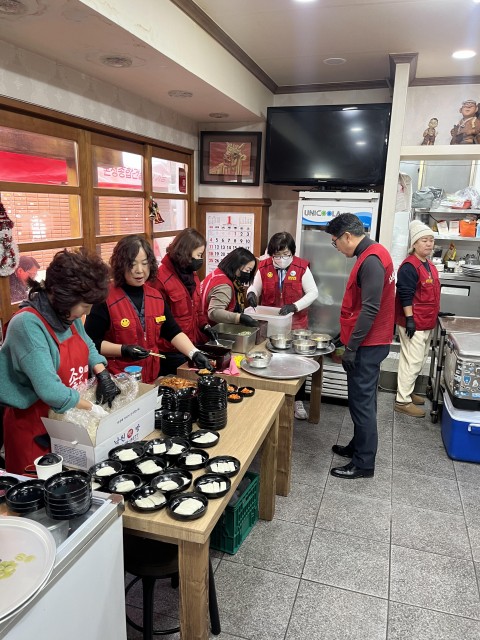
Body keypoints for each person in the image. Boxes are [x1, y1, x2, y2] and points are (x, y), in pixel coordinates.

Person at [0, 248, 120, 474]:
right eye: (84, 306)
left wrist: (102, 372)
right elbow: (50, 390)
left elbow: (88, 345)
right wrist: (93, 409)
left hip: (66, 424)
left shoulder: (66, 316)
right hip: (34, 428)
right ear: (64, 296)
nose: (86, 312)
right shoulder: (27, 325)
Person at [84, 234, 213, 383]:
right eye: (132, 264)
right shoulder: (105, 299)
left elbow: (173, 332)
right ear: (120, 265)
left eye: (144, 263)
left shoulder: (155, 296)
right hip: (117, 380)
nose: (140, 270)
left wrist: (194, 353)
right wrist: (123, 349)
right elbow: (90, 343)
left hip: (150, 378)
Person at [325, 213, 395, 479]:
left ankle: (364, 463)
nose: (336, 247)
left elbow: (370, 309)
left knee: (361, 404)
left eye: (335, 242)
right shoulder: (373, 253)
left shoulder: (371, 261)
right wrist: (341, 336)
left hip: (368, 344)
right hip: (368, 341)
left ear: (347, 236)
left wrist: (351, 347)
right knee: (364, 401)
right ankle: (358, 446)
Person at [246, 231, 318, 419]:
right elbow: (255, 287)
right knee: (269, 359)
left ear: (292, 252)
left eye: (286, 254)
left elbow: (313, 293)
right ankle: (269, 398)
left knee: (297, 363)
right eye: (277, 255)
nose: (281, 259)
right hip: (270, 323)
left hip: (295, 324)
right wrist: (251, 293)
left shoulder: (301, 267)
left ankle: (298, 401)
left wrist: (295, 306)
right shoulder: (264, 266)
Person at [151, 228, 218, 375]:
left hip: (190, 346)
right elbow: (158, 322)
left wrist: (204, 325)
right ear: (186, 252)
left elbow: (196, 309)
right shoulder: (160, 279)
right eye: (199, 255)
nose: (200, 260)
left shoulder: (191, 274)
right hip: (169, 351)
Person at [395, 220, 440, 417]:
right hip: (414, 322)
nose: (429, 244)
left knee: (418, 360)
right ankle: (402, 401)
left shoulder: (429, 264)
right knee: (412, 361)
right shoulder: (409, 266)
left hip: (427, 320)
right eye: (424, 240)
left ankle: (407, 390)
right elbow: (405, 294)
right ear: (414, 243)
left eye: (431, 240)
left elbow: (429, 293)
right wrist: (410, 319)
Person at [201, 247, 259, 328]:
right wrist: (239, 318)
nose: (248, 274)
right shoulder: (224, 285)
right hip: (211, 329)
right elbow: (214, 312)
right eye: (247, 270)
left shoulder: (217, 273)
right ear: (236, 265)